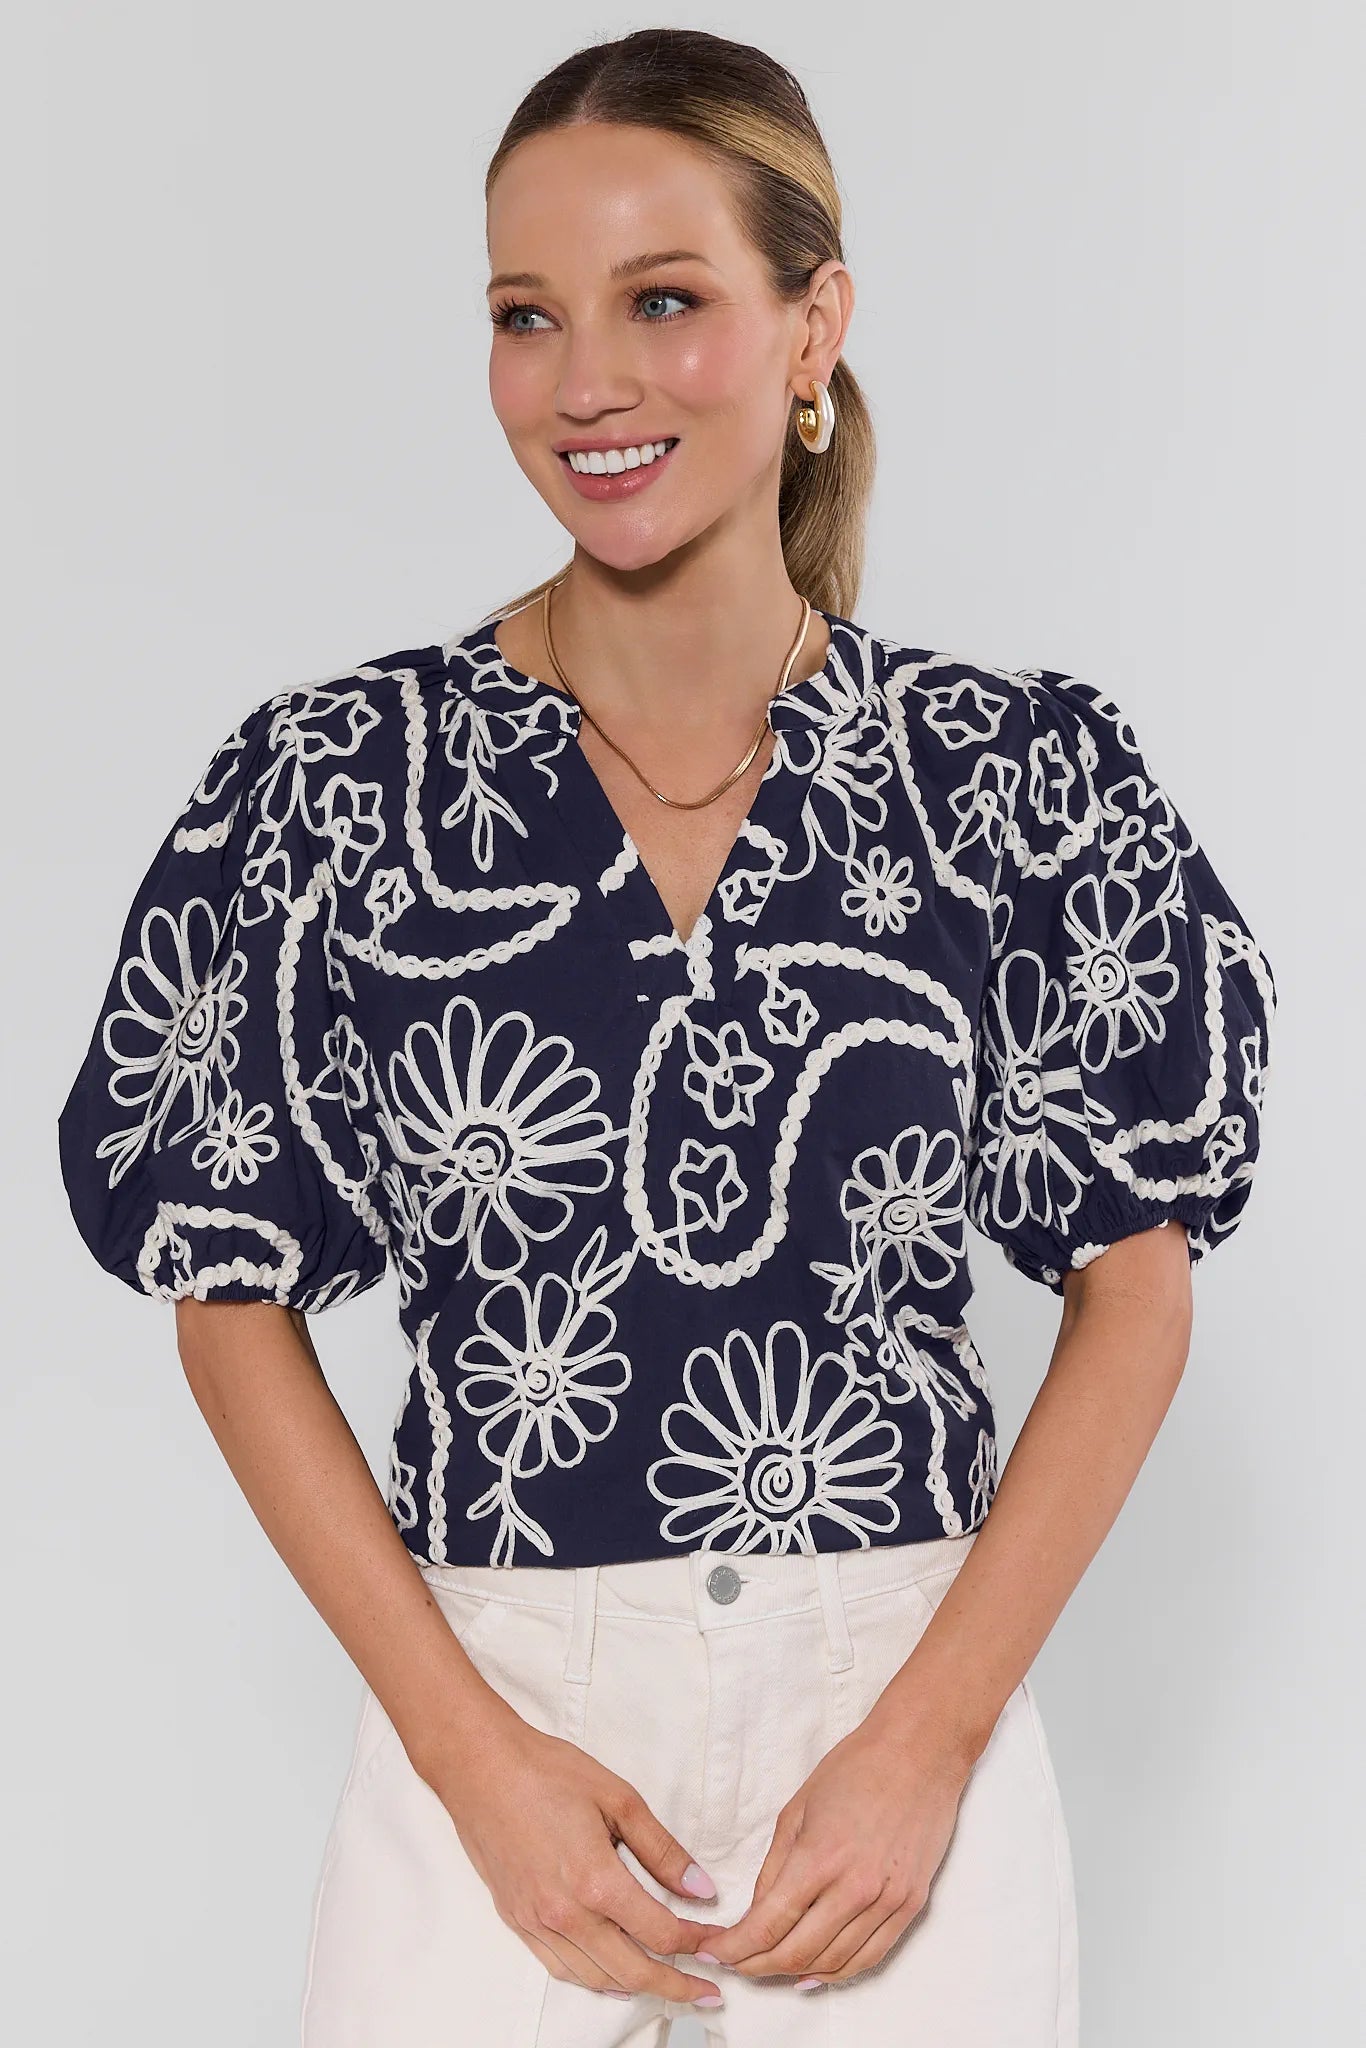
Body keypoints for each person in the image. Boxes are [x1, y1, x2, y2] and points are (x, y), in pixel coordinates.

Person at [55, 26, 1277, 2048]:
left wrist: (925, 1745)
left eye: (663, 302)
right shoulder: (341, 791)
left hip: (892, 1710)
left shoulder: (1003, 783)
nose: (584, 382)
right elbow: (220, 1292)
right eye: (523, 316)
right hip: (497, 1717)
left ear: (814, 328)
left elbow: (1131, 1284)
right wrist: (470, 1760)